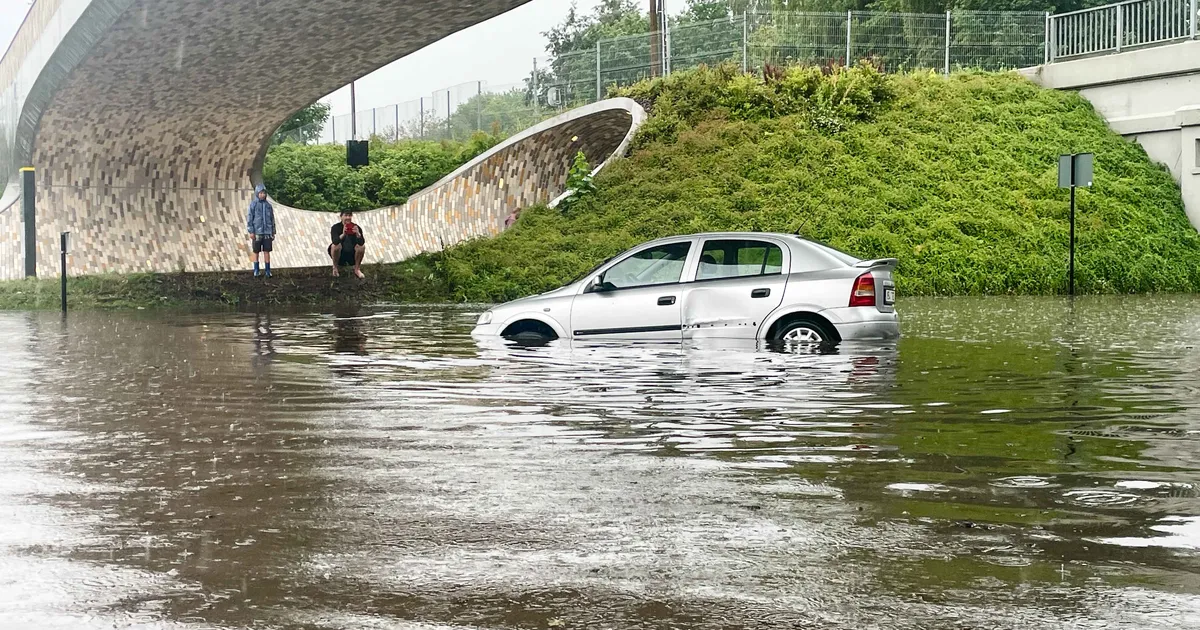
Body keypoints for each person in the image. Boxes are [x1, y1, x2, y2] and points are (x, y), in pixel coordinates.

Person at [246, 184, 276, 277]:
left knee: (267, 251)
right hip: (257, 232)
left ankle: (267, 270)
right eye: (261, 193)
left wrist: (273, 231)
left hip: (267, 232)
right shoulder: (253, 204)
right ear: (257, 193)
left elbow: (272, 219)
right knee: (256, 251)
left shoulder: (268, 206)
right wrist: (251, 231)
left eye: (264, 193)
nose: (262, 195)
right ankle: (256, 270)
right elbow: (250, 218)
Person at [329, 211, 366, 278]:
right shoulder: (335, 227)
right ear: (341, 217)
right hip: (340, 256)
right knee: (335, 246)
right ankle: (335, 268)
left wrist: (358, 234)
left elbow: (361, 243)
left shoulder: (356, 227)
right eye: (346, 215)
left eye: (349, 215)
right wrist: (343, 234)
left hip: (352, 255)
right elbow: (335, 241)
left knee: (362, 247)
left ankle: (357, 269)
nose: (348, 217)